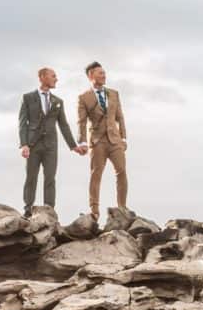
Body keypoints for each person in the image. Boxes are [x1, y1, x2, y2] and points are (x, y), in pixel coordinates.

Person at [18, 67, 85, 216]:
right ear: (42, 77)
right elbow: (22, 123)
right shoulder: (27, 98)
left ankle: (49, 211)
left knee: (50, 179)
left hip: (51, 146)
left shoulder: (58, 101)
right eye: (53, 76)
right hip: (32, 145)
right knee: (31, 178)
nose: (56, 79)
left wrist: (73, 146)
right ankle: (27, 211)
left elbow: (63, 125)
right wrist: (24, 145)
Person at [76, 61, 128, 219]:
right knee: (96, 174)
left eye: (104, 73)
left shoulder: (114, 93)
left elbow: (120, 117)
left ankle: (122, 208)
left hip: (115, 140)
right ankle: (94, 211)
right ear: (91, 75)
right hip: (97, 141)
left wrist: (124, 137)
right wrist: (83, 142)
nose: (104, 75)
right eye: (100, 73)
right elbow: (82, 121)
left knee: (121, 171)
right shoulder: (84, 97)